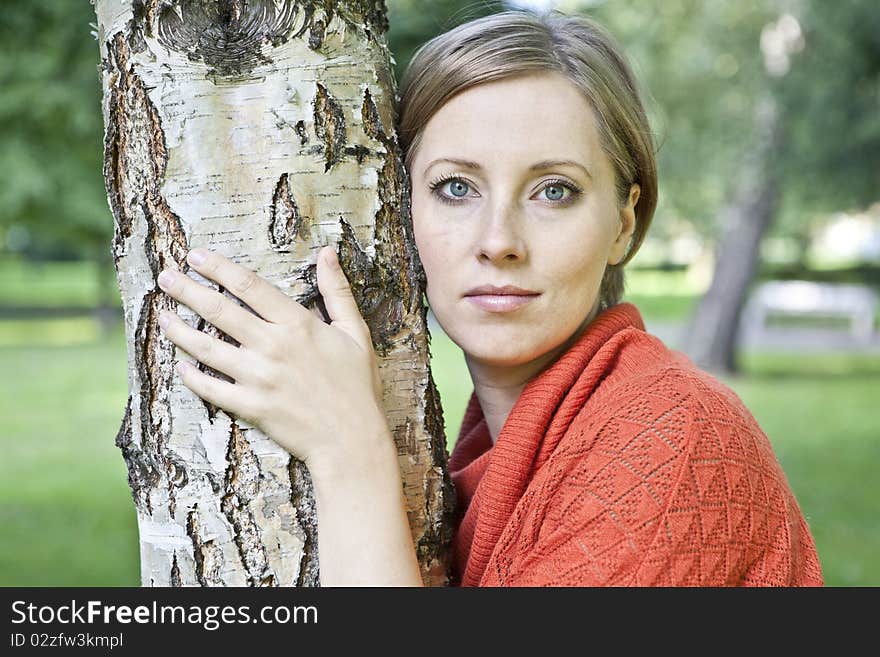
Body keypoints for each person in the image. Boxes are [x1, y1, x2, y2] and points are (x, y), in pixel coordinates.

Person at [154, 8, 823, 586]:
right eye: (456, 187)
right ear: (396, 214)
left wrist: (347, 454)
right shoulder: (482, 467)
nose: (499, 240)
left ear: (623, 223)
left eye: (554, 190)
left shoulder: (673, 437)